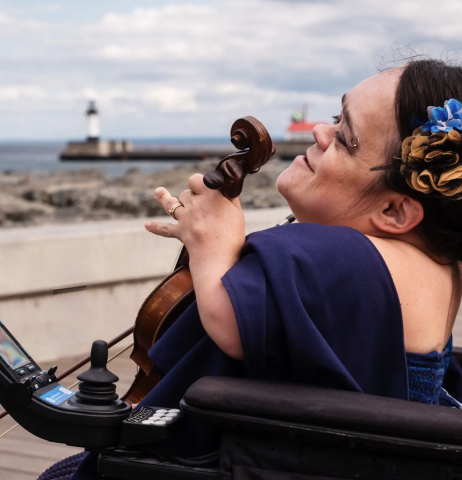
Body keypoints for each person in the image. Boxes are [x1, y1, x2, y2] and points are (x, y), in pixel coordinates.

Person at [39, 58, 462, 480]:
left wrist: (214, 244)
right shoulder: (437, 264)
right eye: (336, 116)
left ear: (395, 209)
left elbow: (228, 319)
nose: (320, 131)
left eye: (345, 138)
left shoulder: (346, 256)